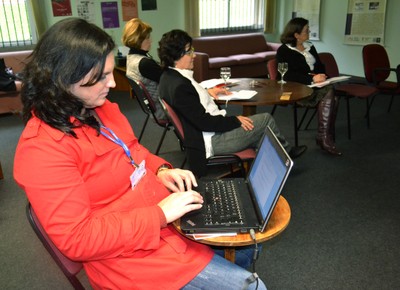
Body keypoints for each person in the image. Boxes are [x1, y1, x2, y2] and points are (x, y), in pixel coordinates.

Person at [13, 18, 268, 289]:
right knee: (253, 285)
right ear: (63, 78)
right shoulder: (42, 149)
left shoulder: (101, 109)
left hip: (161, 221)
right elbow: (78, 239)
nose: (112, 84)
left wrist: (162, 170)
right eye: (100, 77)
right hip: (127, 258)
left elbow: (135, 150)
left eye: (111, 72)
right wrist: (158, 214)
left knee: (249, 247)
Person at [157, 29, 307, 177]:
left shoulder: (169, 77)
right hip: (212, 140)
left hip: (207, 133)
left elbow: (189, 102)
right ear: (177, 56)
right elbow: (203, 122)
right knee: (265, 120)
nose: (194, 55)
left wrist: (207, 92)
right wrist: (235, 120)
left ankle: (271, 164)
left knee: (258, 129)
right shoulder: (180, 87)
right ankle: (287, 153)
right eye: (189, 52)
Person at [277, 17, 342, 156]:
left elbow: (319, 66)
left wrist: (322, 75)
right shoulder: (284, 50)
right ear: (296, 35)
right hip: (297, 87)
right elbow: (286, 75)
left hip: (316, 84)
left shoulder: (310, 46)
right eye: (306, 30)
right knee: (331, 94)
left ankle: (324, 136)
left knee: (332, 95)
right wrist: (312, 78)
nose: (309, 32)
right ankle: (324, 137)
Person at [122, 18, 166, 120]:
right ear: (138, 40)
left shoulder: (131, 58)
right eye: (147, 38)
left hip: (151, 108)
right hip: (163, 109)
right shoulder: (144, 63)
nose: (151, 40)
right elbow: (169, 80)